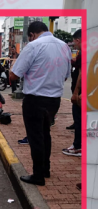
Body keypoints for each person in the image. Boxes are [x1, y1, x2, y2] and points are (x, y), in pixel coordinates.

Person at [9, 21, 71, 186]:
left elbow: (13, 76)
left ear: (31, 34)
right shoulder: (64, 46)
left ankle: (38, 176)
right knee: (46, 134)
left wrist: (16, 60)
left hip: (35, 100)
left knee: (36, 137)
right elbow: (65, 76)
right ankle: (45, 169)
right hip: (54, 101)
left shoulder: (33, 46)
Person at [64, 29, 82, 158]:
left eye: (74, 42)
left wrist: (76, 93)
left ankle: (78, 147)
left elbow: (82, 74)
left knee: (79, 120)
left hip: (81, 94)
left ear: (78, 40)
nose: (74, 45)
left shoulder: (84, 53)